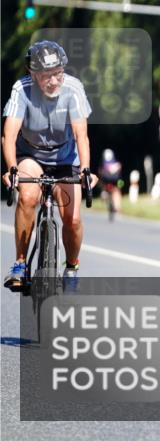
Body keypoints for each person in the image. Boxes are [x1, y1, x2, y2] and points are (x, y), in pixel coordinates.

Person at [2, 41, 96, 290]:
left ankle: (72, 267)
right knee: (28, 197)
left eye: (58, 74)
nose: (54, 81)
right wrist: (12, 169)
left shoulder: (73, 89)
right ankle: (20, 263)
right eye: (46, 76)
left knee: (73, 219)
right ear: (33, 74)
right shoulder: (21, 90)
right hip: (30, 156)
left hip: (65, 159)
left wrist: (85, 169)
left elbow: (81, 136)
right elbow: (8, 136)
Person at [99, 148, 123, 215]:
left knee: (103, 185)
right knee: (117, 190)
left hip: (106, 181)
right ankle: (118, 207)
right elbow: (119, 170)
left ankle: (103, 193)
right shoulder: (115, 162)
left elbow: (100, 172)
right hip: (116, 180)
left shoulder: (104, 162)